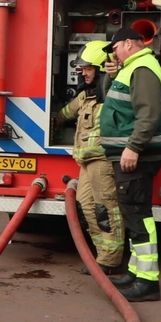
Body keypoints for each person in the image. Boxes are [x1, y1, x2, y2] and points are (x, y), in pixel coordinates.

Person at [100, 27, 161, 302]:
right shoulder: (134, 68)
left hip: (136, 156)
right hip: (131, 154)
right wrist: (113, 76)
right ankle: (134, 272)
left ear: (128, 43)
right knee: (132, 213)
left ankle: (148, 282)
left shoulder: (143, 69)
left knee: (138, 214)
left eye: (115, 48)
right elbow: (120, 105)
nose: (114, 54)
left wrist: (133, 148)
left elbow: (148, 116)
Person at [53, 40, 125, 275]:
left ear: (102, 69)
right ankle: (102, 254)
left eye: (88, 68)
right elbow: (65, 113)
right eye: (81, 68)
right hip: (86, 163)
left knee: (105, 210)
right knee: (86, 208)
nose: (81, 72)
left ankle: (110, 260)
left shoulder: (115, 93)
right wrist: (51, 122)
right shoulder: (86, 97)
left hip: (103, 162)